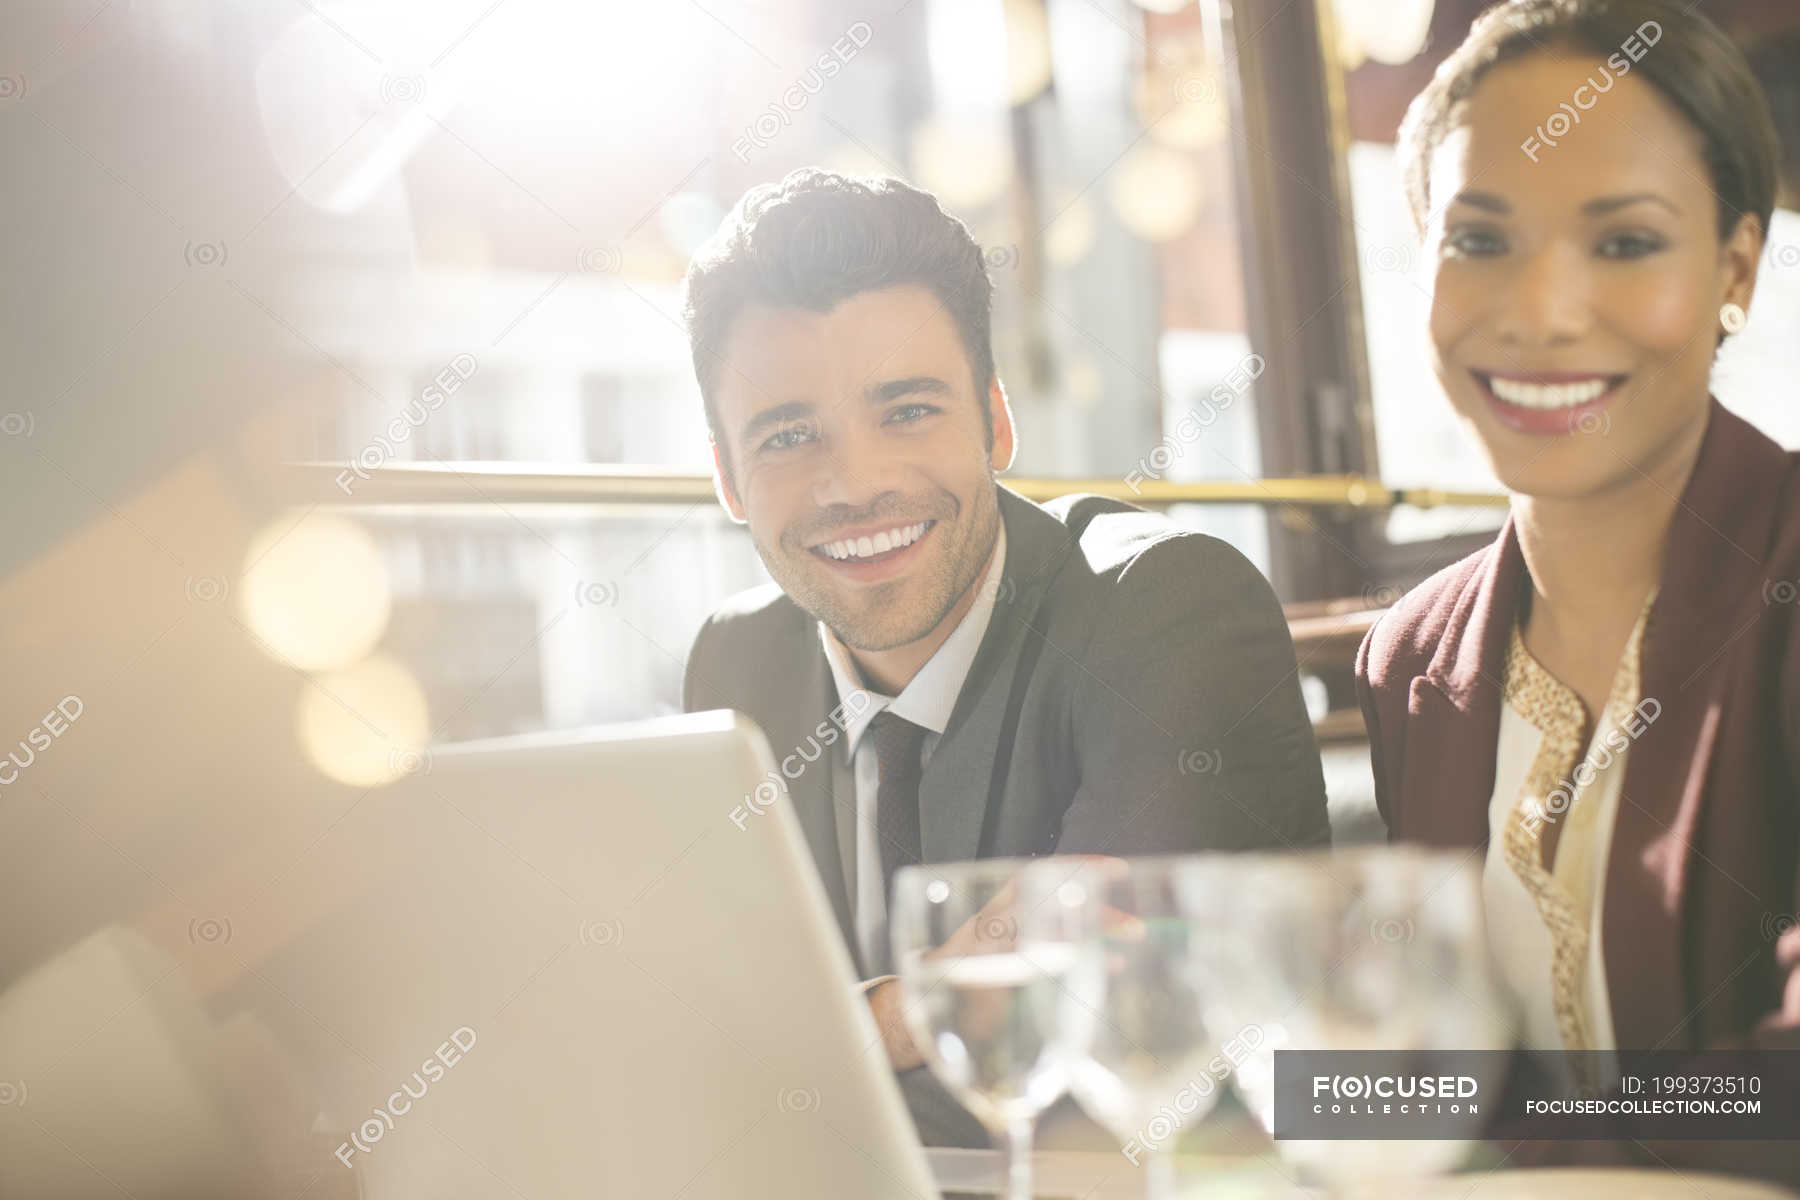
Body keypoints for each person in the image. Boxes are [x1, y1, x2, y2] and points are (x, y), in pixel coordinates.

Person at [680, 169, 1330, 1144]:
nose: (855, 484)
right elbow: (706, 1022)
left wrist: (823, 1032)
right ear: (728, 476)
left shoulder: (1168, 610)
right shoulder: (739, 667)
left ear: (995, 422)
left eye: (906, 411)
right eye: (789, 436)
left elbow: (1095, 996)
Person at [1358, 0, 1800, 1184]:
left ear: (1735, 273)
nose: (1542, 314)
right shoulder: (1412, 658)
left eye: (1624, 244)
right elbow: (1425, 1078)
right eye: (1482, 241)